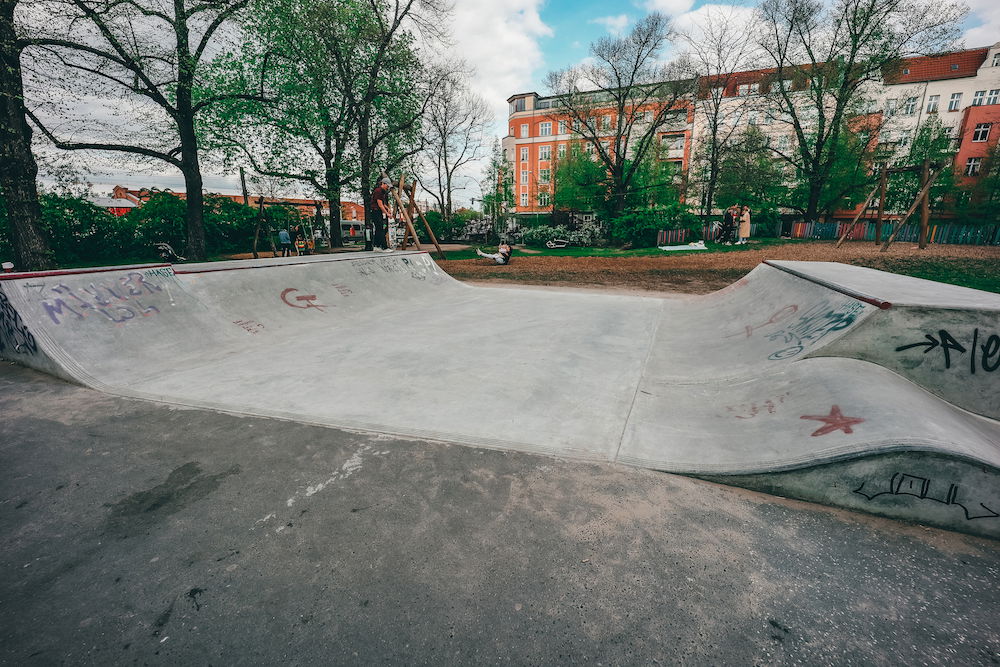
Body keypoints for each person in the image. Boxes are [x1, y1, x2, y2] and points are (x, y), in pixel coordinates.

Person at [367, 178, 393, 252]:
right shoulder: (378, 191)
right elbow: (380, 205)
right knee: (381, 229)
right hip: (375, 211)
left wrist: (388, 208)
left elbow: (383, 204)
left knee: (378, 229)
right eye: (387, 186)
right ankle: (384, 247)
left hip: (377, 212)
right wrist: (387, 213)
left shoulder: (382, 192)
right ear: (383, 184)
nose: (388, 187)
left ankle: (376, 246)